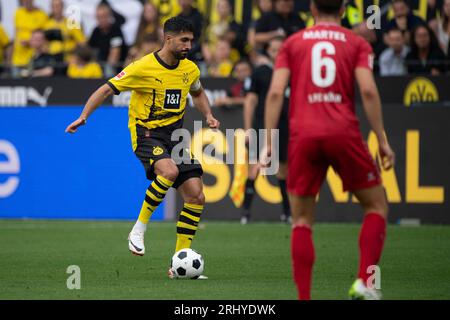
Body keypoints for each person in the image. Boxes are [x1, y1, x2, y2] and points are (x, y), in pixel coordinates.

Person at [65, 17, 220, 279]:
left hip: (176, 137)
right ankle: (139, 228)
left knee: (196, 194)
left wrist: (208, 115)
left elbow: (197, 92)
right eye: (184, 40)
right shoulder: (142, 67)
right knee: (168, 171)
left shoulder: (190, 69)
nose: (188, 45)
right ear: (168, 38)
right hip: (147, 134)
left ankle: (177, 264)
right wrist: (84, 116)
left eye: (191, 40)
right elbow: (105, 89)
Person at [263, 0, 395, 300]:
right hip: (343, 132)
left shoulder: (292, 43)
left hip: (303, 135)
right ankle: (365, 282)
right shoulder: (357, 43)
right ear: (345, 7)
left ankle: (304, 297)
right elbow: (369, 90)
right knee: (376, 206)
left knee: (301, 221)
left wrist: (268, 142)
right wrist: (382, 140)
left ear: (311, 8)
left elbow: (274, 93)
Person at [240, 36, 291, 225]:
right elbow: (250, 101)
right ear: (268, 52)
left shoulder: (290, 72)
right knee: (255, 167)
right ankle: (245, 213)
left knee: (283, 170)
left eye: (280, 50)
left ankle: (287, 213)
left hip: (284, 126)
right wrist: (247, 128)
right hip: (262, 125)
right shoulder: (261, 72)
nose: (277, 54)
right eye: (274, 50)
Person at [88, 3, 128, 77]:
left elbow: (115, 52)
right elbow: (90, 49)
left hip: (117, 67)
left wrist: (107, 71)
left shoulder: (116, 29)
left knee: (109, 68)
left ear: (109, 16)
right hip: (99, 64)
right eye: (99, 17)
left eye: (104, 16)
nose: (101, 20)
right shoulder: (96, 31)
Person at [12, 0, 48, 76]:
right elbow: (16, 34)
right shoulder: (18, 13)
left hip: (34, 60)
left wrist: (30, 42)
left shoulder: (41, 14)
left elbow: (44, 37)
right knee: (16, 85)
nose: (26, 1)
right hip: (18, 59)